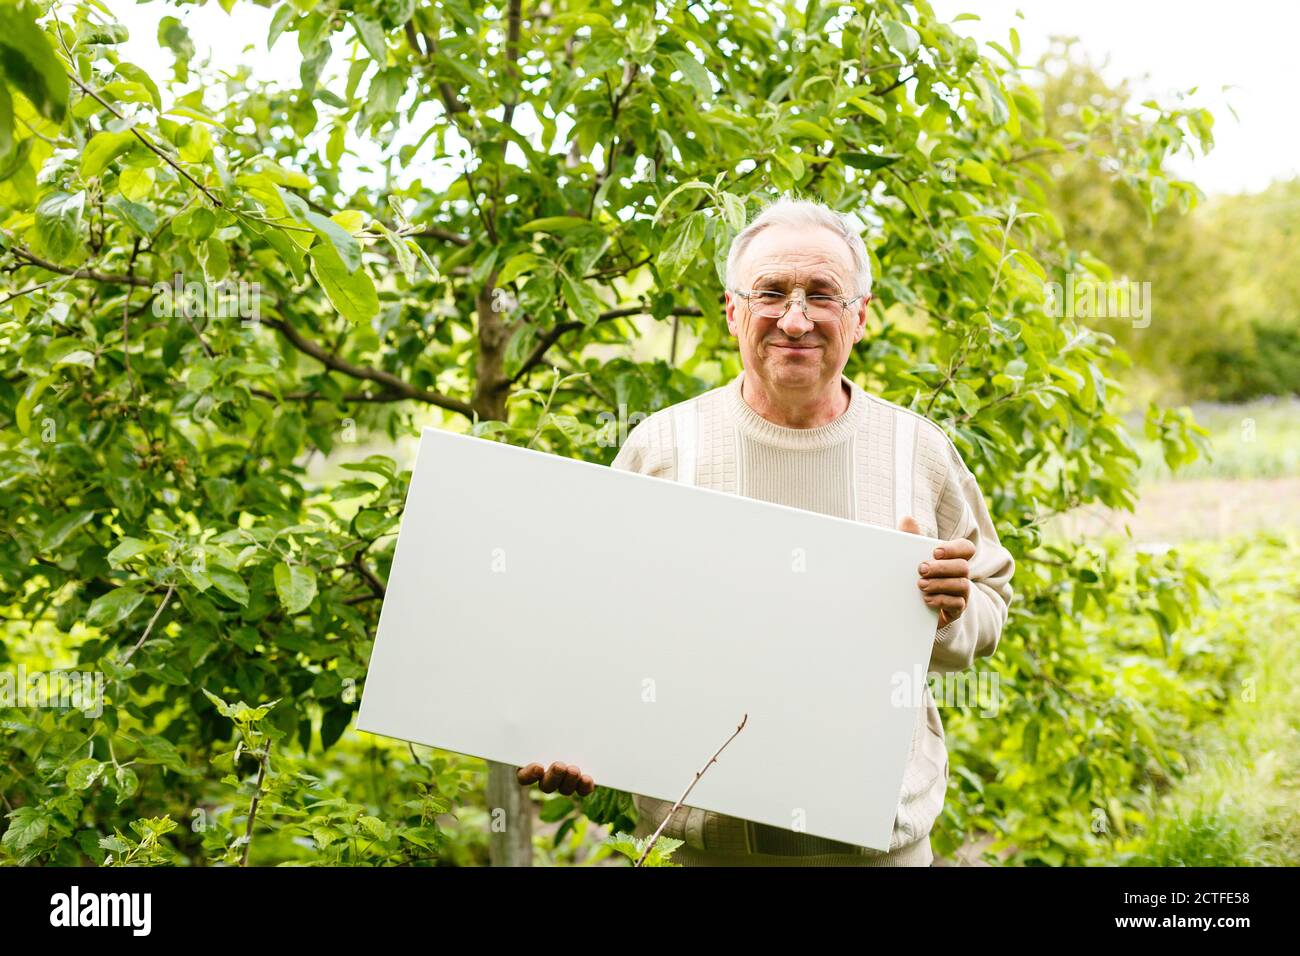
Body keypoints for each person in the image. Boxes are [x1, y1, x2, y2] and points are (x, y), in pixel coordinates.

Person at [518, 195, 1014, 866]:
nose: (796, 318)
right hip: (712, 848)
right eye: (771, 293)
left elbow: (987, 605)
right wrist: (577, 737)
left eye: (822, 294)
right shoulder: (664, 446)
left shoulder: (915, 451)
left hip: (878, 849)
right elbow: (602, 627)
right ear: (733, 311)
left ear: (860, 316)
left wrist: (949, 613)